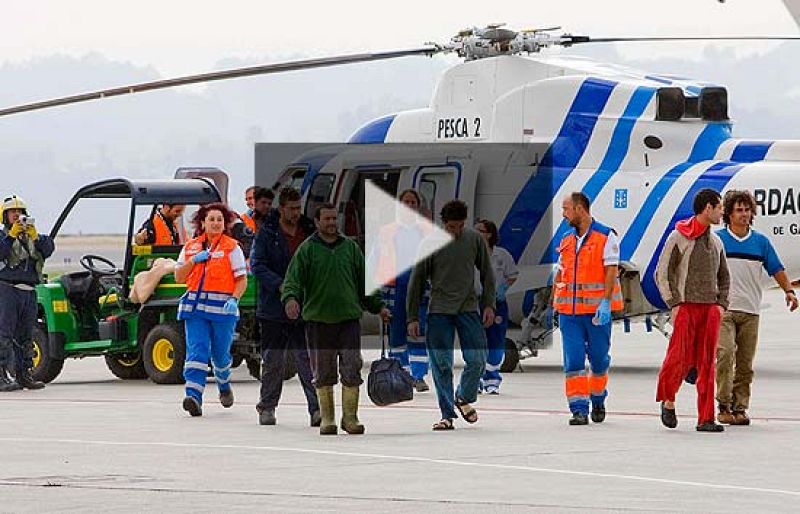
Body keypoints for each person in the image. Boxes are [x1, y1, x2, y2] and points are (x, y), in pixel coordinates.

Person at [282, 203, 389, 435]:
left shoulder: (350, 248)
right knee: (322, 372)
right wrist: (291, 299)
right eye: (327, 219)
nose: (331, 223)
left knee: (352, 368)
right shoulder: (307, 249)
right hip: (318, 323)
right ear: (318, 222)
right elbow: (293, 280)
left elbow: (365, 283)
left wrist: (379, 306)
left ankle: (350, 418)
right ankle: (327, 419)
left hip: (348, 321)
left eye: (334, 219)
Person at [407, 199, 495, 431]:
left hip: (468, 308)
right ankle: (447, 415)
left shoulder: (474, 239)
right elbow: (415, 282)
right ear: (443, 223)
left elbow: (487, 274)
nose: (455, 231)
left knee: (477, 359)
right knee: (442, 365)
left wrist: (489, 304)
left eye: (459, 226)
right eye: (451, 227)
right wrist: (412, 317)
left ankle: (463, 396)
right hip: (439, 311)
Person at [715, 190, 798, 425]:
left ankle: (740, 408)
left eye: (747, 210)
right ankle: (723, 405)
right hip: (725, 310)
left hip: (751, 310)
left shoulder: (760, 241)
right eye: (738, 210)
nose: (743, 214)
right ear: (729, 214)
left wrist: (789, 292)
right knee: (725, 354)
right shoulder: (718, 240)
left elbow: (776, 268)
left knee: (744, 364)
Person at [655, 188, 730, 432]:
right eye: (719, 207)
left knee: (708, 362)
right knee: (679, 357)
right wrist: (673, 303)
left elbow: (724, 277)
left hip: (710, 309)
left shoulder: (717, 242)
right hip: (685, 307)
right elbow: (662, 272)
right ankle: (668, 401)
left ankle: (706, 418)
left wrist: (721, 305)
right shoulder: (678, 237)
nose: (722, 212)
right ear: (707, 208)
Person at [250, 187, 320, 426]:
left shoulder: (309, 230)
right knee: (273, 362)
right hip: (273, 309)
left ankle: (316, 409)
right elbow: (257, 266)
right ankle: (267, 407)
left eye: (299, 208)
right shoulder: (267, 233)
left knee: (308, 360)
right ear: (281, 209)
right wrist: (281, 287)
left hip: (305, 307)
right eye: (292, 209)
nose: (296, 213)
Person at [552, 193, 623, 425]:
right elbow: (560, 273)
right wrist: (555, 303)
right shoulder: (565, 239)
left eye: (566, 209)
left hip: (595, 314)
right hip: (569, 314)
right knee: (573, 361)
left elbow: (611, 270)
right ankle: (578, 409)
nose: (563, 215)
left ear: (580, 209)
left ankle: (598, 397)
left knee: (599, 360)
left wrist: (605, 303)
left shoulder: (606, 236)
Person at [174, 203, 247, 417]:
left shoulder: (232, 247)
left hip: (222, 311)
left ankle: (224, 385)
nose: (215, 223)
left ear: (225, 224)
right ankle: (193, 397)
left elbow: (241, 280)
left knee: (221, 356)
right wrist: (194, 261)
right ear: (203, 223)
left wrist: (234, 299)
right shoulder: (190, 247)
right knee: (197, 351)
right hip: (195, 310)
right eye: (211, 219)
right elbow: (179, 276)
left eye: (219, 220)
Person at [368, 188, 431, 392]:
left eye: (413, 202)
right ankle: (400, 373)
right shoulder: (386, 232)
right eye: (406, 202)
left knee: (418, 333)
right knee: (396, 335)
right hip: (394, 288)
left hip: (421, 287)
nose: (410, 206)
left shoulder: (427, 231)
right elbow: (374, 261)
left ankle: (418, 375)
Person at [0, 195, 54, 391]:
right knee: (4, 335)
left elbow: (49, 248)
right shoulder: (3, 237)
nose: (17, 215)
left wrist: (36, 236)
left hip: (29, 291)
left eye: (20, 212)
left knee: (26, 336)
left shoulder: (32, 238)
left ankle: (24, 374)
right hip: (7, 290)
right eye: (13, 212)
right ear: (4, 216)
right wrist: (11, 236)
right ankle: (1, 375)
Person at [475, 219, 519, 395]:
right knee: (475, 342)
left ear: (489, 234)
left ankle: (492, 379)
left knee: (496, 342)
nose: (477, 233)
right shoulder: (469, 253)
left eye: (481, 231)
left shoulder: (501, 255)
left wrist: (503, 289)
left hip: (496, 303)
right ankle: (475, 378)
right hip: (474, 302)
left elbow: (513, 275)